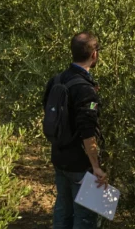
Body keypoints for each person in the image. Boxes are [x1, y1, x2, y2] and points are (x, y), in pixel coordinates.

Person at [42, 31, 107, 229]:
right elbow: (88, 132)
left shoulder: (57, 79)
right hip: (81, 164)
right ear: (94, 54)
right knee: (85, 219)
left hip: (60, 158)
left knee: (63, 211)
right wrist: (95, 166)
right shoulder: (85, 89)